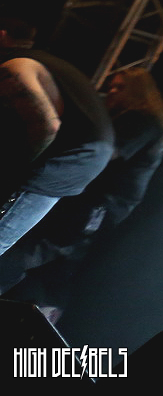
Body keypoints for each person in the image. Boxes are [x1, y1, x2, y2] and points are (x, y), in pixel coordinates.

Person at [0, 66, 163, 304]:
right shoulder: (128, 119)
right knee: (41, 252)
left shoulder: (142, 120)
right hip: (90, 202)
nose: (111, 91)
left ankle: (41, 305)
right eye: (111, 86)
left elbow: (109, 153)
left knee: (37, 248)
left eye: (120, 87)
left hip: (100, 205)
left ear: (138, 92)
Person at [0, 19, 114, 257]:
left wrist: (14, 171)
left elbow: (47, 125)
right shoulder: (41, 60)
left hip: (68, 158)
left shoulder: (15, 66)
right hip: (82, 158)